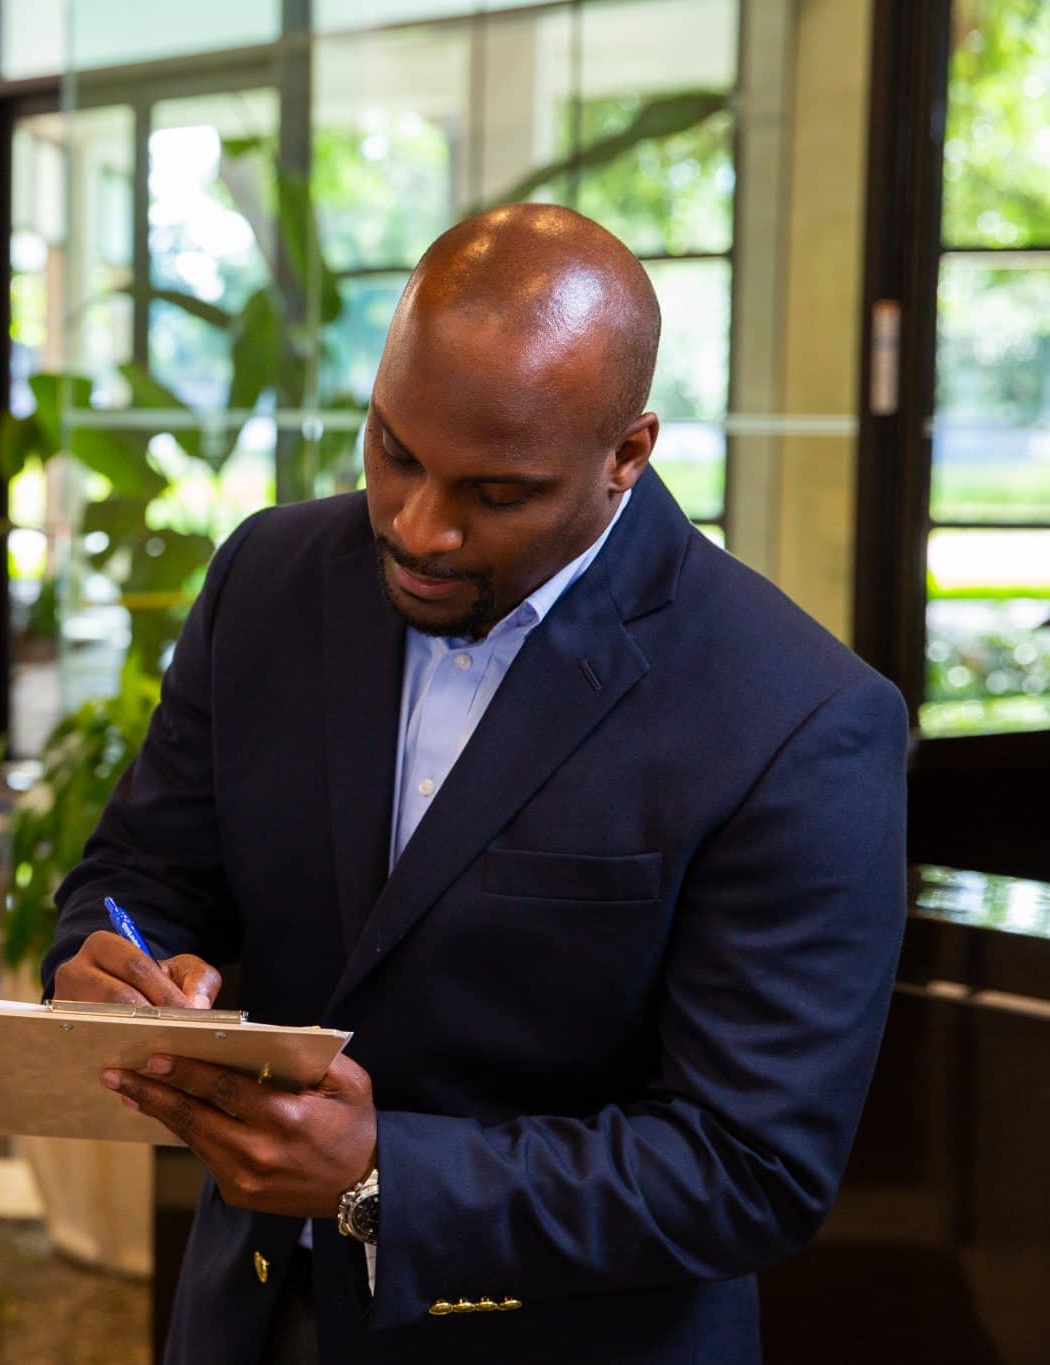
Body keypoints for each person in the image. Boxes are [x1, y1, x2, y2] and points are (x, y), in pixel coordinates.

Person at [45, 204, 908, 1364]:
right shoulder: (268, 576)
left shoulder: (797, 719)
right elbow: (138, 872)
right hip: (241, 1318)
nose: (417, 527)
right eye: (393, 451)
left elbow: (749, 1168)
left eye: (495, 494)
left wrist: (380, 1178)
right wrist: (114, 953)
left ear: (626, 454)